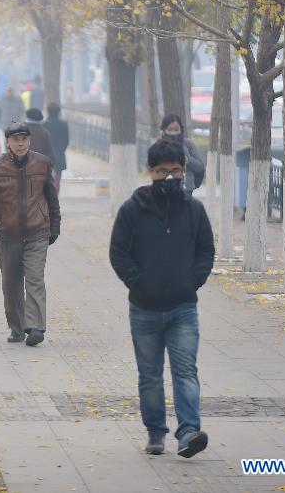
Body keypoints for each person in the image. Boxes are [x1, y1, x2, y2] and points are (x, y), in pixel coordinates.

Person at [109, 138, 215, 458]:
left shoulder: (194, 210)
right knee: (150, 376)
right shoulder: (132, 209)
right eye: (161, 172)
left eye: (175, 171)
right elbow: (118, 252)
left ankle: (188, 433)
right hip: (144, 309)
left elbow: (206, 250)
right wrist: (139, 284)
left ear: (183, 171)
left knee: (186, 372)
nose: (169, 178)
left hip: (183, 308)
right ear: (149, 171)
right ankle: (156, 431)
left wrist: (191, 282)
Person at [0, 122, 61, 347]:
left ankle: (35, 327)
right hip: (7, 234)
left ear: (29, 141)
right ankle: (17, 328)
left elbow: (52, 198)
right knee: (11, 284)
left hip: (37, 232)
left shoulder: (42, 164)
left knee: (34, 278)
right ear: (8, 142)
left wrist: (55, 227)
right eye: (16, 139)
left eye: (24, 139)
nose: (21, 143)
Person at [160, 114, 205, 195]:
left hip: (186, 191)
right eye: (170, 129)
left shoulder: (188, 144)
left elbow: (200, 168)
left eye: (176, 129)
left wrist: (188, 160)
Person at [43, 102, 69, 190]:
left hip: (47, 154)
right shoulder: (64, 124)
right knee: (57, 177)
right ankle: (56, 194)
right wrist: (62, 149)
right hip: (59, 152)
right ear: (59, 111)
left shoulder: (44, 124)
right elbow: (66, 140)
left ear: (48, 111)